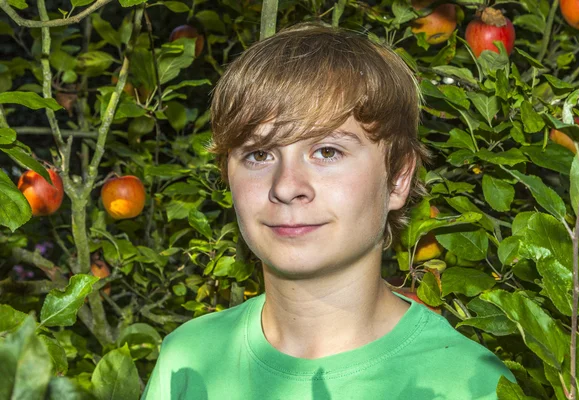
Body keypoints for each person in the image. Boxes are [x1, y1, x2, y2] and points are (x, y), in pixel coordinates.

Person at [141, 22, 515, 400]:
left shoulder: (470, 384)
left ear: (399, 178)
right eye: (259, 154)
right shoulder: (188, 359)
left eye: (327, 152)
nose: (286, 186)